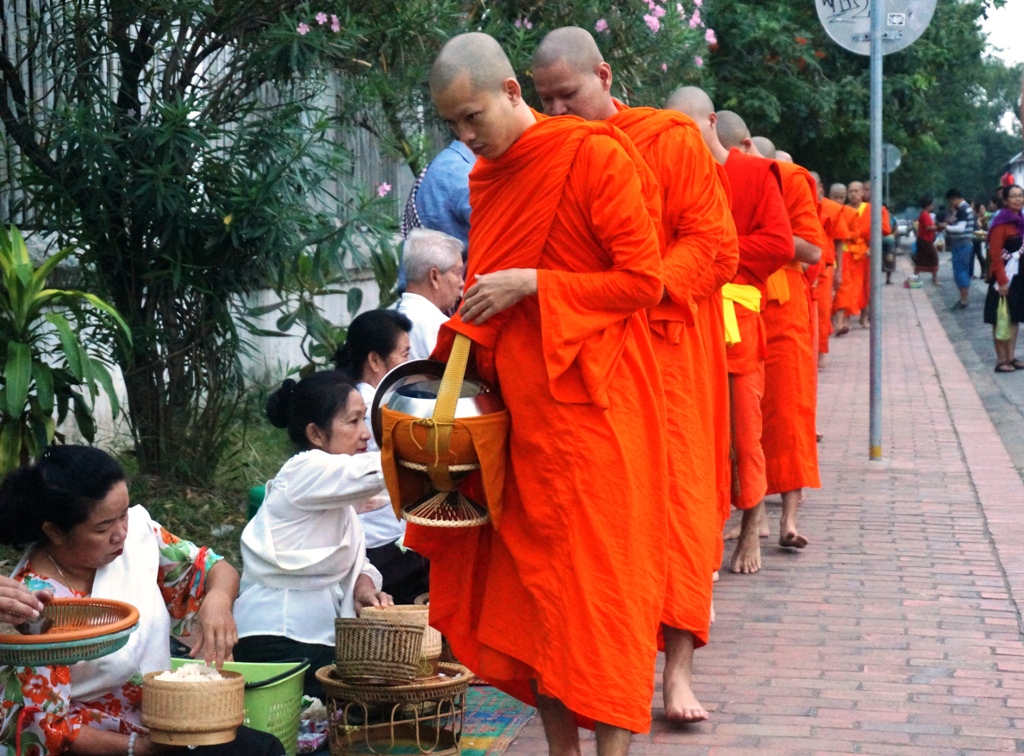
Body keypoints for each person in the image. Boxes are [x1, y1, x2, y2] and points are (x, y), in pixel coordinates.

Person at [405, 31, 670, 755]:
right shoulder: (487, 179)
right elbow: (485, 295)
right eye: (452, 124)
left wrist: (534, 284)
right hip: (516, 423)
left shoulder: (593, 156)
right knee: (533, 602)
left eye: (473, 117)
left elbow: (643, 281)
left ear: (512, 92)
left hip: (596, 416)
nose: (466, 137)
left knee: (600, 596)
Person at [530, 29, 734, 726]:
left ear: (605, 76)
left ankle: (676, 672)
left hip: (662, 343)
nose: (559, 111)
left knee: (675, 507)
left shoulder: (669, 140)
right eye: (546, 100)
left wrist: (640, 288)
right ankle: (593, 666)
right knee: (597, 518)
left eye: (569, 94)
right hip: (583, 347)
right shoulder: (547, 153)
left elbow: (713, 242)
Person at [0, 445, 283, 756]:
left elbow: (215, 569)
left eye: (123, 514)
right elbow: (41, 726)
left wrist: (217, 601)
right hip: (101, 743)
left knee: (263, 748)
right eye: (103, 527)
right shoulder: (32, 604)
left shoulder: (139, 538)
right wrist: (140, 747)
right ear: (54, 531)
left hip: (163, 717)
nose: (121, 532)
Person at [664, 96, 794, 579]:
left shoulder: (755, 174)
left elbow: (779, 244)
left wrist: (712, 247)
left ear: (711, 122)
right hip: (689, 317)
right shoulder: (675, 174)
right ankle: (705, 528)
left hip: (736, 316)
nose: (682, 137)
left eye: (689, 125)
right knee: (697, 434)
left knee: (744, 431)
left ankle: (752, 520)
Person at [233, 371, 393, 697]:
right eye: (353, 421)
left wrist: (363, 585)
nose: (365, 434)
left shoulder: (332, 492)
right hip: (277, 640)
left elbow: (351, 559)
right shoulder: (304, 470)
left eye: (364, 420)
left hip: (313, 641)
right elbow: (377, 472)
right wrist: (426, 447)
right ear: (316, 434)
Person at [748, 136, 822, 557]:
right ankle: (753, 515)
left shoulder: (789, 179)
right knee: (748, 414)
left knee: (790, 410)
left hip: (784, 304)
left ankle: (788, 519)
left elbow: (812, 249)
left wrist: (768, 236)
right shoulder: (724, 176)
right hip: (740, 299)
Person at [333, 309, 430, 604]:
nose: (409, 364)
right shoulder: (373, 405)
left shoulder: (351, 399)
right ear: (375, 360)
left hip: (373, 537)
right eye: (405, 354)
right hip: (381, 544)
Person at [394, 229, 465, 357]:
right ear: (434, 277)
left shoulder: (390, 323)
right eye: (457, 273)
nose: (462, 283)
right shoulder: (441, 329)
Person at [983, 184, 1024, 372]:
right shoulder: (1000, 223)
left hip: (1019, 277)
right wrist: (1002, 281)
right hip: (1003, 278)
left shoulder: (1020, 221)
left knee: (1014, 318)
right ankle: (1001, 360)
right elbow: (995, 254)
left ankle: (1011, 356)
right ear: (1006, 200)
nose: (1018, 199)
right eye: (1013, 196)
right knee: (1000, 318)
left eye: (1020, 195)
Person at [812, 172, 851, 367]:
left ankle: (821, 352)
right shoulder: (797, 203)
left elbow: (839, 240)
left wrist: (839, 271)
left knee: (822, 309)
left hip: (825, 266)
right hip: (801, 265)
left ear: (820, 188)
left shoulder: (832, 209)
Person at [938, 188, 977, 309]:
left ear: (954, 198)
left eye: (950, 201)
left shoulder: (962, 209)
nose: (951, 204)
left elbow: (960, 228)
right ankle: (963, 298)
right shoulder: (966, 208)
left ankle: (964, 299)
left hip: (962, 244)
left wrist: (946, 227)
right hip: (965, 243)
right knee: (963, 270)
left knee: (960, 271)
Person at [914, 197, 939, 284]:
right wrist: (937, 227)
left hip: (925, 240)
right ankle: (934, 279)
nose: (932, 206)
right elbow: (928, 227)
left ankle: (915, 276)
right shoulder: (924, 214)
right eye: (931, 205)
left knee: (920, 259)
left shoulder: (925, 214)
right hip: (925, 241)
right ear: (927, 205)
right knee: (934, 258)